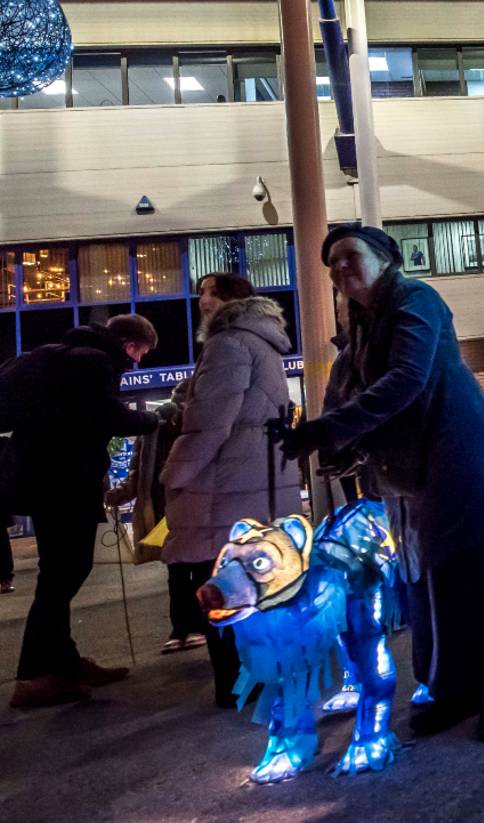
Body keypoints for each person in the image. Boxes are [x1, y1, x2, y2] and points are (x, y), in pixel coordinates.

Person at [279, 224, 484, 742]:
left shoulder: (415, 299)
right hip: (409, 468)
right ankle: (456, 687)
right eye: (331, 264)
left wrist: (329, 430)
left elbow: (406, 378)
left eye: (349, 255)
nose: (339, 269)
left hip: (452, 452)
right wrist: (332, 438)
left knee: (469, 577)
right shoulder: (363, 322)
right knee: (426, 584)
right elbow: (349, 385)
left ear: (386, 257)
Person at [1, 315, 160, 707]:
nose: (137, 362)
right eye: (140, 352)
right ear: (127, 343)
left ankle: (64, 664)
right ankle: (34, 677)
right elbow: (110, 416)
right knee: (63, 574)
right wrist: (156, 417)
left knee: (59, 570)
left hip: (41, 478)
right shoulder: (92, 362)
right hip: (64, 480)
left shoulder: (60, 357)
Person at [157, 283, 302, 708]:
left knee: (222, 589)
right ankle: (264, 676)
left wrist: (174, 474)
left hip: (226, 488)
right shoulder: (264, 344)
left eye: (208, 293)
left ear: (231, 302)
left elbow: (209, 424)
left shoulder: (227, 343)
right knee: (258, 584)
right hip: (260, 482)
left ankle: (239, 685)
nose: (200, 301)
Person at [105, 391, 189, 652]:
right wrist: (123, 492)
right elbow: (138, 469)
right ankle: (182, 627)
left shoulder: (195, 428)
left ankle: (196, 625)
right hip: (163, 506)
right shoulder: (150, 432)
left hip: (192, 505)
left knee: (198, 568)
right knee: (176, 570)